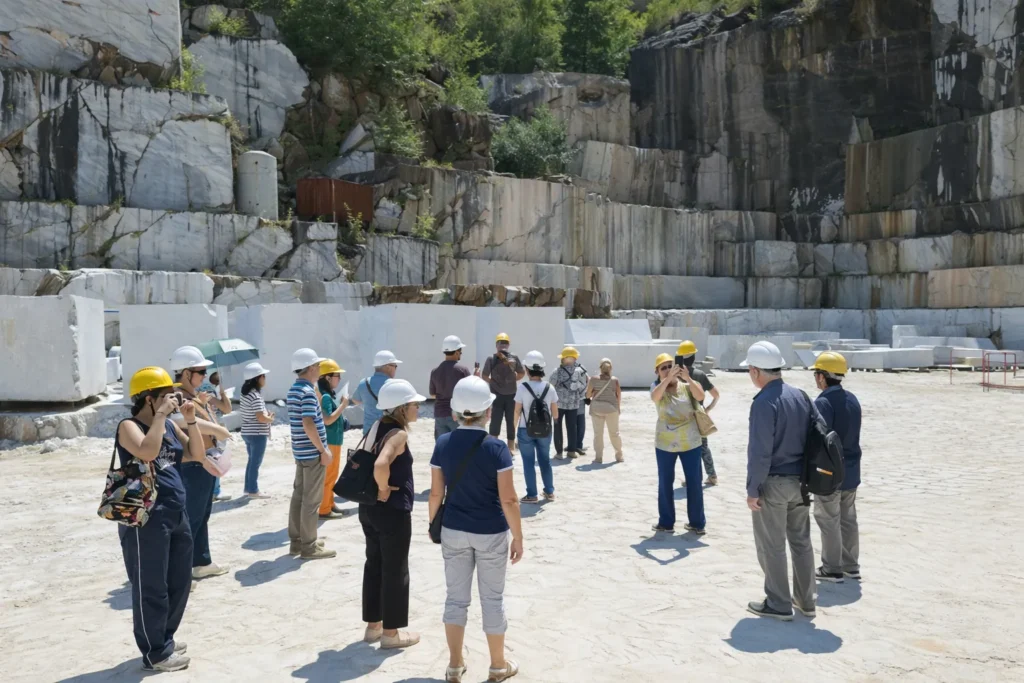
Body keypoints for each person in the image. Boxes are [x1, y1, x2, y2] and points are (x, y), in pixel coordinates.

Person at [429, 376, 524, 683]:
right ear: (488, 412)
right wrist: (519, 536)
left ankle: (455, 665)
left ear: (455, 412)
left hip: (454, 529)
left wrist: (434, 527)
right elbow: (509, 499)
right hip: (491, 532)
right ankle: (498, 665)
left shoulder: (443, 444)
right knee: (492, 600)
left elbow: (435, 494)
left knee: (455, 600)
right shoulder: (497, 448)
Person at [117, 367, 205, 672]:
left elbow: (197, 452)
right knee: (150, 584)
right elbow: (148, 451)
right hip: (146, 517)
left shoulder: (168, 425)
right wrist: (159, 418)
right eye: (166, 395)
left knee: (179, 580)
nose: (173, 400)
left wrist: (191, 420)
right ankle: (155, 651)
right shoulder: (128, 426)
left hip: (176, 512)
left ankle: (165, 638)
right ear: (149, 399)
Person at [742, 340, 818, 621]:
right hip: (801, 483)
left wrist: (752, 490)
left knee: (772, 545)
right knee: (801, 542)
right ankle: (806, 601)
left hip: (773, 484)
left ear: (755, 371)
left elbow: (760, 452)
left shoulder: (764, 402)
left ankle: (778, 603)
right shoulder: (800, 395)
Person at [361, 378, 425, 650]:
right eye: (413, 405)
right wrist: (385, 487)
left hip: (368, 509)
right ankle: (391, 634)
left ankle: (373, 626)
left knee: (374, 563)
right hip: (392, 510)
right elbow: (380, 463)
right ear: (401, 408)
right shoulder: (399, 434)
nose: (418, 409)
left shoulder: (376, 426)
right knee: (396, 569)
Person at [169, 346, 231, 581]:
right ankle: (182, 570)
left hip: (203, 464)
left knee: (201, 516)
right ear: (186, 373)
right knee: (191, 519)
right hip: (192, 465)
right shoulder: (178, 397)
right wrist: (217, 429)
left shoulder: (190, 396)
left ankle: (200, 561)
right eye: (201, 371)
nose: (205, 376)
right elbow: (179, 422)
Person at [810, 351, 863, 583]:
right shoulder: (852, 398)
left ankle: (832, 568)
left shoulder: (822, 402)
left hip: (830, 473)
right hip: (852, 469)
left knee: (828, 518)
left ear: (822, 377)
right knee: (848, 518)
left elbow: (818, 438)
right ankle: (851, 565)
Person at [287, 347, 336, 560]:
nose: (319, 369)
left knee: (299, 497)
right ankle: (309, 545)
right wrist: (323, 450)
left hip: (300, 452)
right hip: (312, 453)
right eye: (317, 366)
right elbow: (308, 423)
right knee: (311, 500)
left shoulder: (294, 390)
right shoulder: (307, 392)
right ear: (309, 368)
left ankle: (297, 542)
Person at [650, 353, 707, 535]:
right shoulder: (656, 386)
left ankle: (697, 523)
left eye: (670, 366)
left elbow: (700, 395)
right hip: (665, 445)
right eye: (663, 367)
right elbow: (655, 397)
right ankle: (666, 522)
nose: (668, 370)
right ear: (657, 372)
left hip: (691, 443)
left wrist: (687, 377)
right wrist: (666, 380)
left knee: (694, 482)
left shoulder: (686, 386)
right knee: (665, 483)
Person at [513, 351, 559, 503]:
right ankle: (549, 491)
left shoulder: (522, 388)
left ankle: (532, 495)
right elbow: (555, 413)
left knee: (528, 462)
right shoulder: (549, 388)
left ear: (527, 369)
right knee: (545, 460)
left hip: (525, 429)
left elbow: (517, 411)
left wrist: (513, 431)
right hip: (545, 430)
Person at [676, 341, 721, 486]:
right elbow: (716, 395)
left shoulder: (676, 376)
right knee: (703, 448)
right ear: (693, 357)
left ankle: (692, 478)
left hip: (682, 418)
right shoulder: (700, 375)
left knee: (687, 450)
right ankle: (712, 475)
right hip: (699, 417)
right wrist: (706, 410)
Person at [481, 333, 525, 453]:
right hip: (509, 394)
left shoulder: (492, 358)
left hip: (498, 394)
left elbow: (484, 375)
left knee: (496, 419)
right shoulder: (513, 358)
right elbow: (521, 373)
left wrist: (493, 382)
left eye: (502, 343)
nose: (503, 345)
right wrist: (512, 380)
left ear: (497, 345)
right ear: (507, 344)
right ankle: (510, 447)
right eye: (504, 343)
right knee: (509, 420)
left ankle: (494, 445)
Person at [318, 358, 350, 520]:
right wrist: (343, 406)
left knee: (332, 475)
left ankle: (330, 504)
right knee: (329, 475)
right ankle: (324, 509)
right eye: (337, 376)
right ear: (327, 378)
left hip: (334, 441)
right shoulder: (325, 397)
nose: (339, 379)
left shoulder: (328, 396)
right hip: (331, 441)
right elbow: (328, 419)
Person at [239, 362, 273, 499]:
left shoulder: (246, 394)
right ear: (257, 378)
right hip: (257, 433)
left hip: (247, 432)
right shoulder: (255, 395)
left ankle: (248, 488)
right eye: (263, 376)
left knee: (251, 461)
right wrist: (270, 419)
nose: (265, 378)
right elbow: (260, 417)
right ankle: (253, 490)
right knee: (255, 463)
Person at [198, 368, 233, 502]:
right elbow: (227, 409)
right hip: (213, 429)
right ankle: (215, 490)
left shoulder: (208, 389)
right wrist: (223, 393)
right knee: (215, 458)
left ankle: (214, 489)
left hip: (211, 429)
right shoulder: (208, 391)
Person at [430, 335, 472, 439]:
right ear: (457, 352)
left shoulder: (435, 371)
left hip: (439, 414)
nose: (460, 354)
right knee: (458, 447)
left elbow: (432, 394)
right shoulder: (463, 370)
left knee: (442, 447)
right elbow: (471, 392)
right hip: (456, 414)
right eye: (460, 352)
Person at [351, 350, 402, 436]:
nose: (396, 369)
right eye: (395, 366)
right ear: (388, 367)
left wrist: (370, 404)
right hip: (388, 431)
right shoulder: (394, 385)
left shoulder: (364, 383)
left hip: (368, 431)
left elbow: (355, 400)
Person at [551, 346, 587, 459]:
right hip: (574, 404)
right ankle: (571, 451)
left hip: (558, 404)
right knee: (572, 427)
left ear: (564, 358)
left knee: (557, 427)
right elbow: (584, 386)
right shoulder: (580, 371)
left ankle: (559, 452)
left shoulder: (557, 371)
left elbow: (551, 385)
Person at [585, 358, 623, 464]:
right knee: (614, 433)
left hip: (596, 409)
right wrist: (618, 408)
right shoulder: (615, 380)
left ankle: (598, 457)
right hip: (612, 409)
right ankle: (619, 455)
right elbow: (618, 395)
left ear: (600, 368)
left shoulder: (593, 379)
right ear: (611, 368)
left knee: (598, 434)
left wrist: (592, 393)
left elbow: (588, 395)